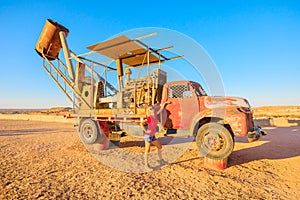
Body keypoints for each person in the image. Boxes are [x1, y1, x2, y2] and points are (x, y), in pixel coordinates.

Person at [140, 102, 170, 171]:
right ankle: (146, 165)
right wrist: (145, 130)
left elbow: (161, 109)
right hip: (148, 136)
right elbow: (141, 123)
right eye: (152, 112)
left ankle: (161, 161)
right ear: (150, 113)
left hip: (153, 136)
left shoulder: (155, 117)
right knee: (147, 150)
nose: (153, 113)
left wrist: (165, 103)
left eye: (153, 112)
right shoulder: (149, 118)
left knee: (159, 147)